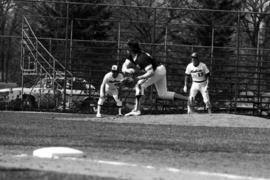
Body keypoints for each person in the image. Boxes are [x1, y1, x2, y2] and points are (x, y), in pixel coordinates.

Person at [122, 39, 188, 116]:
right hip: (160, 69)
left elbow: (151, 72)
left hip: (157, 71)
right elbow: (124, 66)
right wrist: (126, 70)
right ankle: (188, 99)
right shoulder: (131, 55)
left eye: (128, 47)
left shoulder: (142, 58)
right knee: (163, 94)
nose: (126, 49)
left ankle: (137, 110)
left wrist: (139, 78)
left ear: (131, 49)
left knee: (139, 85)